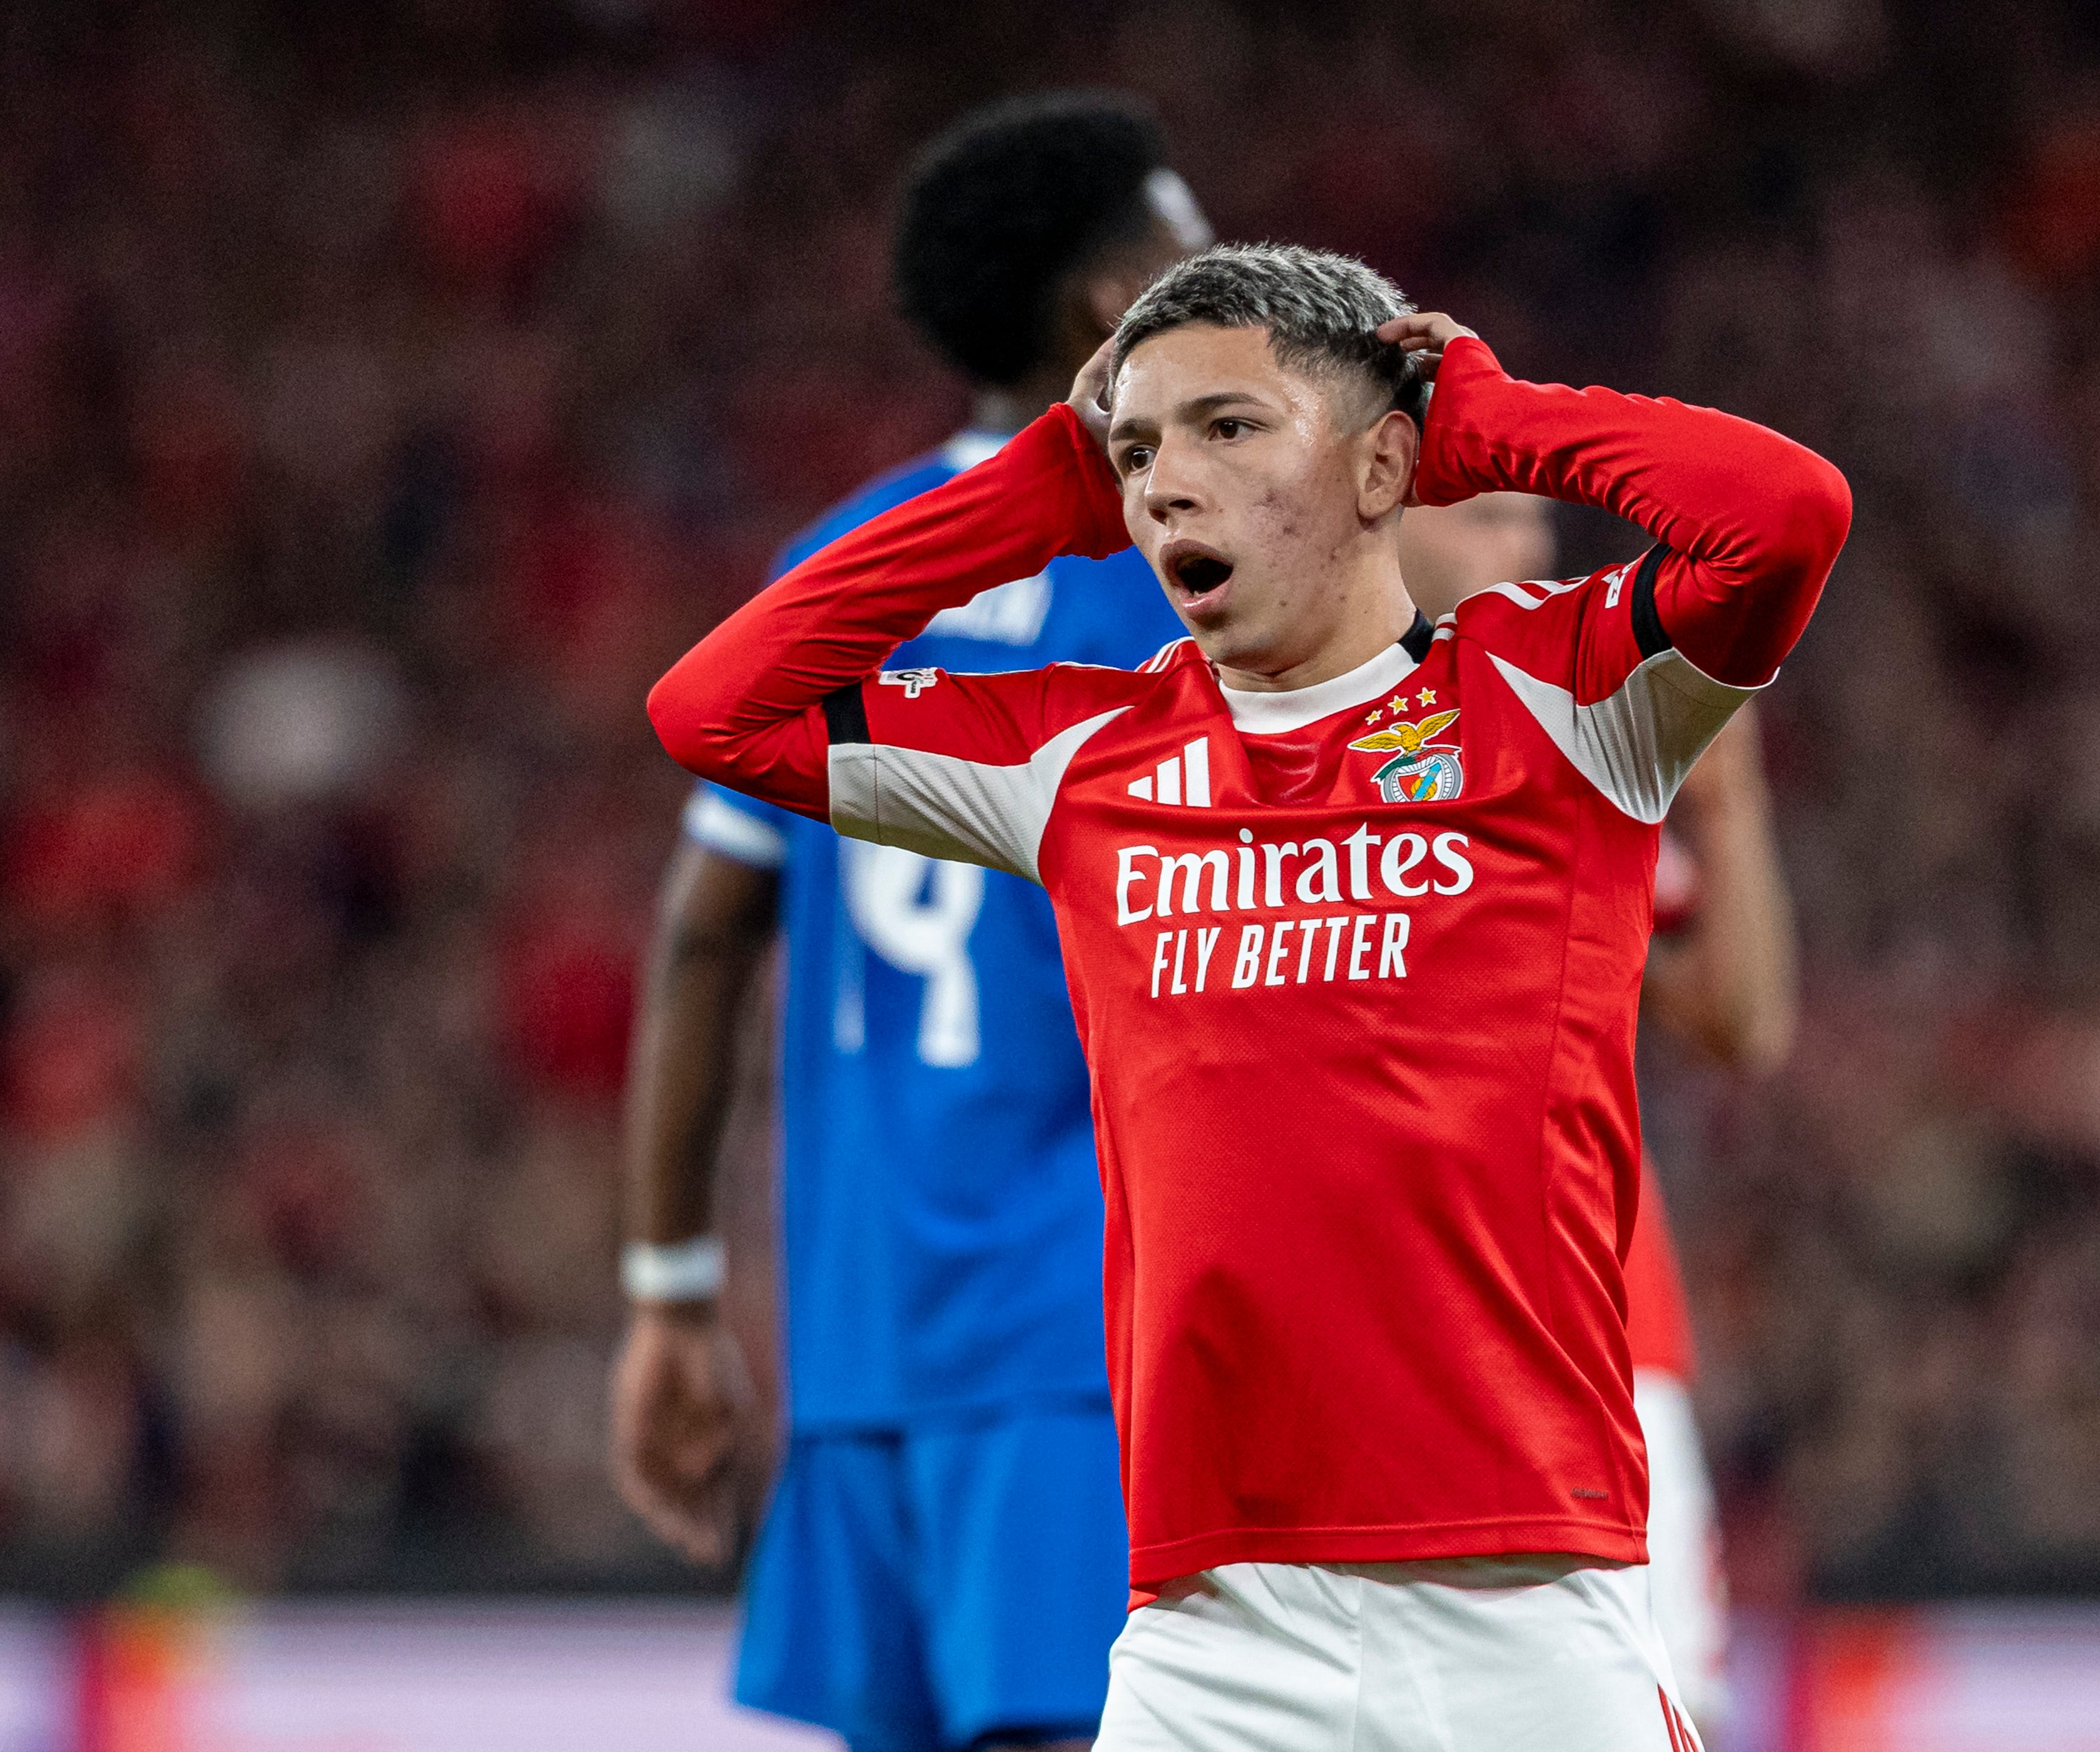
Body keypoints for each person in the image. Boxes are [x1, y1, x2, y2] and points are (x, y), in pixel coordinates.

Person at [647, 243, 1850, 1750]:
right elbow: (713, 709)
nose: (1169, 483)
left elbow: (1789, 514)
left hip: (1525, 1609)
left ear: (1382, 466)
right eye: (1140, 450)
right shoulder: (1080, 756)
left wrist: (1492, 422)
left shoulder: (1555, 696)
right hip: (1211, 1636)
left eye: (1228, 426)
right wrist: (1040, 491)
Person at [608, 92, 1208, 1752]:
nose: (1230, 276)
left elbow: (702, 936)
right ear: (1113, 303)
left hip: (863, 1342)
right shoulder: (1194, 572)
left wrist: (670, 1292)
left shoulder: (844, 564)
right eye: (1194, 248)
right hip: (1086, 1330)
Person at [1400, 494, 1801, 1731]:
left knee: (1660, 1710)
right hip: (1388, 1341)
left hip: (1602, 1330)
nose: (1524, 552)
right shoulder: (1279, 733)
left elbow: (1740, 1024)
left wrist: (1728, 798)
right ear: (1373, 505)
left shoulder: (1569, 734)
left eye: (1533, 525)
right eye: (1483, 520)